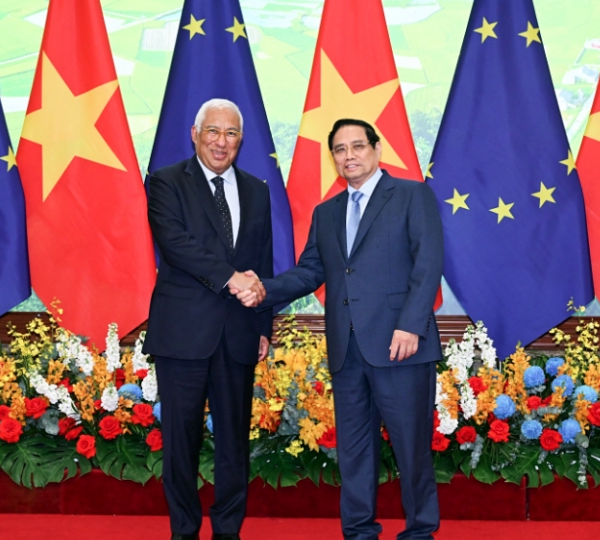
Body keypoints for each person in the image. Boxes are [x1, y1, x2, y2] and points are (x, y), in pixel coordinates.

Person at [236, 118, 443, 539]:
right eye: (340, 149)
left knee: (411, 448)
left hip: (399, 346)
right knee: (353, 450)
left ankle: (421, 530)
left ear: (376, 149)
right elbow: (311, 271)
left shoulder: (410, 195)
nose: (349, 155)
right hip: (346, 350)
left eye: (357, 146)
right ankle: (359, 530)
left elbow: (428, 265)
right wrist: (263, 291)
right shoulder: (327, 212)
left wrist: (410, 326)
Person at [144, 98, 272, 540]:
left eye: (231, 133)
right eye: (213, 131)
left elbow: (264, 263)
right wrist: (232, 278)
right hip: (183, 333)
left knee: (234, 442)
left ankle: (228, 531)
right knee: (182, 440)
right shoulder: (165, 182)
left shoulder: (258, 189)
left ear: (241, 140)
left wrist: (263, 325)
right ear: (195, 134)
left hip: (238, 333)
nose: (222, 142)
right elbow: (176, 246)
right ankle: (184, 530)